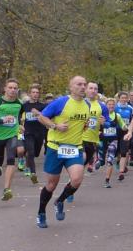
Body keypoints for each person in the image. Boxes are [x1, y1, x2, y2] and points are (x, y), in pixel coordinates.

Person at [33, 75, 91, 228]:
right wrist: (55, 126)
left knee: (77, 179)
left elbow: (82, 124)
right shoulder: (61, 102)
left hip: (75, 147)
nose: (83, 87)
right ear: (71, 87)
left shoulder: (87, 105)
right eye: (79, 84)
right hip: (56, 147)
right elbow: (41, 118)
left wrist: (85, 126)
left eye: (84, 84)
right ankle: (41, 212)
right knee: (52, 184)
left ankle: (59, 201)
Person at [0, 79, 24, 201]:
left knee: (11, 159)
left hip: (12, 135)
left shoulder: (19, 103)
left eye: (15, 88)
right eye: (10, 88)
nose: (13, 90)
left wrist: (21, 124)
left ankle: (7, 189)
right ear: (5, 89)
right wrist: (2, 120)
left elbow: (20, 115)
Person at [21, 84, 47, 184]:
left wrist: (39, 114)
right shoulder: (25, 105)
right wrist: (20, 124)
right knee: (30, 152)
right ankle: (33, 173)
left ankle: (28, 164)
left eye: (37, 92)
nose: (35, 94)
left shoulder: (42, 106)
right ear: (29, 94)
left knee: (35, 153)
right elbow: (18, 115)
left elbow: (48, 116)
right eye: (33, 92)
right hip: (28, 132)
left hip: (40, 132)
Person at [82, 82, 109, 174]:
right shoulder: (79, 103)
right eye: (91, 88)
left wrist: (104, 123)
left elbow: (108, 123)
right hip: (78, 138)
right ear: (86, 90)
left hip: (92, 140)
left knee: (82, 166)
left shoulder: (102, 106)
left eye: (95, 89)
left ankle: (73, 180)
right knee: (81, 159)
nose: (93, 91)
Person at [99, 97, 125, 188]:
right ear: (105, 106)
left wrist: (126, 128)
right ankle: (99, 161)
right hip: (101, 141)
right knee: (101, 161)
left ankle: (107, 180)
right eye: (109, 104)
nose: (111, 106)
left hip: (113, 140)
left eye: (113, 105)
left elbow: (123, 125)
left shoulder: (117, 116)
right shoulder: (100, 115)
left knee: (110, 160)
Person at [114, 92, 133, 181]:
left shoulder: (130, 108)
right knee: (117, 151)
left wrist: (131, 129)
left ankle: (121, 172)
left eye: (125, 98)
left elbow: (132, 119)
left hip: (125, 132)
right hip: (116, 132)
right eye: (122, 98)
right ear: (119, 98)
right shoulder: (115, 108)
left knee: (124, 151)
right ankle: (118, 161)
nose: (124, 99)